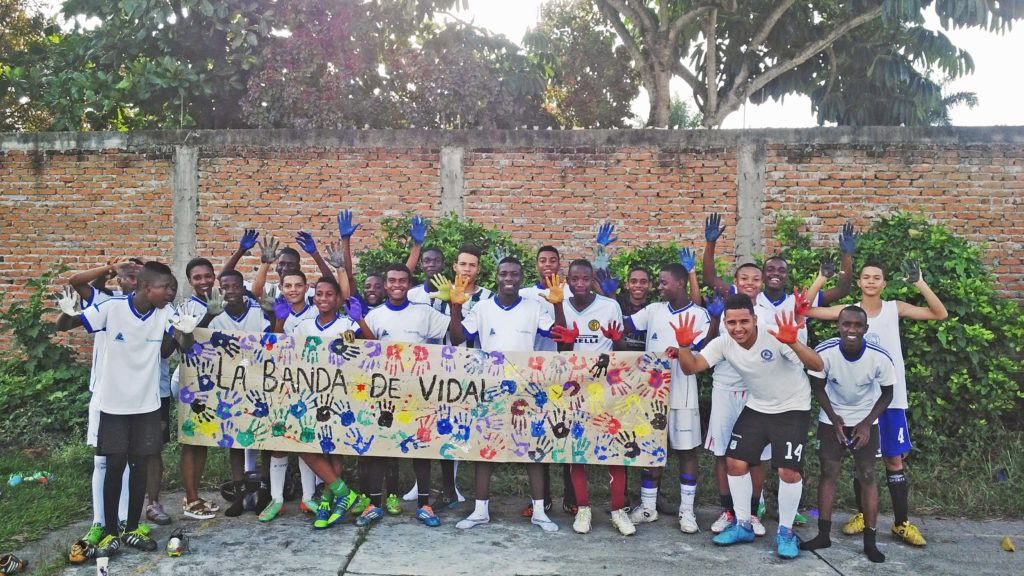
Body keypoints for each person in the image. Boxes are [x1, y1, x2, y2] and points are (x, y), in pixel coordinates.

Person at [702, 214, 856, 527]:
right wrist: (710, 243)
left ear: (783, 277)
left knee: (761, 457)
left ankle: (756, 510)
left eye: (777, 271)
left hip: (765, 392)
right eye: (767, 269)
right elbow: (709, 279)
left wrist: (845, 258)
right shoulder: (738, 304)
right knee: (726, 454)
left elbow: (841, 290)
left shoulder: (799, 302)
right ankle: (730, 510)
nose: (771, 275)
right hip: (727, 384)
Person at [56, 261, 198, 556]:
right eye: (165, 288)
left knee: (140, 466)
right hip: (114, 404)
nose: (170, 294)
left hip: (146, 404)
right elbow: (67, 325)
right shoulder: (113, 307)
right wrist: (67, 314)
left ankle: (131, 527)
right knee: (114, 466)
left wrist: (185, 331)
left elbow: (185, 346)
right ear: (147, 287)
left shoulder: (164, 312)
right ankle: (109, 532)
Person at [805, 261, 947, 547]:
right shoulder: (848, 313)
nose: (871, 281)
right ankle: (861, 515)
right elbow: (805, 310)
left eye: (877, 277)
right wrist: (820, 279)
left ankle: (901, 523)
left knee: (893, 461)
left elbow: (939, 313)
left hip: (889, 399)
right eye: (866, 277)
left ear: (884, 283)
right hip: (856, 405)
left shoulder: (895, 307)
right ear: (859, 282)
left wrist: (919, 282)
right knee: (862, 463)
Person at [674, 294, 823, 559]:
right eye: (732, 322)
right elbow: (692, 367)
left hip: (792, 408)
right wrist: (684, 346)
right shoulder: (723, 343)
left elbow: (817, 365)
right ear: (725, 323)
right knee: (735, 463)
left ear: (755, 319)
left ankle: (786, 533)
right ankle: (743, 524)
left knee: (789, 472)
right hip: (759, 406)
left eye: (744, 321)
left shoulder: (776, 335)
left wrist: (794, 343)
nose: (738, 327)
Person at [451, 257, 566, 533]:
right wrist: (455, 307)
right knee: (485, 450)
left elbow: (561, 336)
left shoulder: (534, 307)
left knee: (533, 450)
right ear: (497, 277)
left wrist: (558, 305)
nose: (509, 278)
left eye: (514, 274)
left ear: (521, 276)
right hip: (491, 387)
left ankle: (539, 511)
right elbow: (457, 338)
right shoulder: (483, 308)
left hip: (527, 389)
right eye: (504, 274)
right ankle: (480, 511)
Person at [264, 276, 372, 529]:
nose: (324, 299)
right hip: (308, 396)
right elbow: (276, 349)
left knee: (334, 447)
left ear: (338, 299)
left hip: (341, 396)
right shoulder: (303, 326)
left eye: (329, 294)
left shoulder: (347, 324)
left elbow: (374, 348)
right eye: (320, 294)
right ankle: (343, 493)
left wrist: (360, 321)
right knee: (304, 442)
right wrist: (279, 321)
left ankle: (328, 499)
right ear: (314, 298)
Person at [357, 263, 452, 528]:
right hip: (383, 393)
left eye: (402, 280)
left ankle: (424, 504)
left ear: (409, 285)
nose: (397, 285)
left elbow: (454, 334)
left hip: (419, 391)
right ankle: (375, 505)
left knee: (421, 446)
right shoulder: (375, 316)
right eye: (392, 281)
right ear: (385, 285)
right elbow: (363, 347)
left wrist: (454, 303)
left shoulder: (425, 312)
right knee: (380, 446)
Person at [800, 306, 894, 563]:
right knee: (828, 472)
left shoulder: (879, 357)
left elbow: (887, 394)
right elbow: (817, 387)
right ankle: (823, 534)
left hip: (866, 418)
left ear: (865, 328)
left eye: (857, 325)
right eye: (846, 324)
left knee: (867, 474)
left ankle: (870, 541)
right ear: (839, 326)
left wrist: (866, 423)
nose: (851, 330)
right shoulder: (825, 351)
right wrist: (833, 418)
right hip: (833, 418)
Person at [549, 260, 634, 536]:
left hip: (608, 388)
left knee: (616, 448)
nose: (580, 284)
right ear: (568, 280)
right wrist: (570, 341)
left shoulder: (609, 306)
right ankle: (583, 508)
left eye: (585, 278)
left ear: (592, 279)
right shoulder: (560, 301)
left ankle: (618, 510)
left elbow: (620, 349)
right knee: (578, 448)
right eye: (575, 279)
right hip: (575, 389)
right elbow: (561, 350)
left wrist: (616, 341)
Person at [403, 244, 492, 509]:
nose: (467, 269)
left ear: (478, 269)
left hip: (469, 369)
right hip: (433, 368)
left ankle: (450, 485)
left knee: (457, 426)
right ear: (454, 266)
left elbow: (467, 334)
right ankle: (420, 485)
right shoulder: (436, 292)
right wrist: (440, 299)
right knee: (427, 422)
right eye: (462, 264)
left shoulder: (486, 297)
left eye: (472, 265)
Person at [624, 262, 710, 534]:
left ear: (680, 283)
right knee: (650, 451)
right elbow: (626, 326)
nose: (658, 287)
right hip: (652, 395)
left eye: (663, 283)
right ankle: (648, 507)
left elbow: (704, 348)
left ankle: (687, 510)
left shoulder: (699, 314)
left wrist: (684, 349)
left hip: (683, 393)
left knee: (686, 451)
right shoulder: (653, 310)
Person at [65, 261, 140, 563]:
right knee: (103, 460)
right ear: (118, 279)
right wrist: (107, 268)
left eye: (138, 275)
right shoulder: (105, 301)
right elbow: (75, 280)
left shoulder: (153, 307)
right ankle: (100, 521)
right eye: (127, 274)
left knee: (130, 460)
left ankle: (123, 520)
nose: (132, 279)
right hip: (105, 394)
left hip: (136, 396)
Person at [207, 269, 272, 517]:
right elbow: (201, 342)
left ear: (243, 288)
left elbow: (273, 339)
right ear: (220, 290)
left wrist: (272, 312)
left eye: (235, 286)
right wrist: (206, 315)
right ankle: (240, 491)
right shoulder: (216, 317)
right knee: (232, 438)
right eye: (225, 287)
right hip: (230, 385)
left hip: (260, 380)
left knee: (263, 435)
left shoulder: (258, 312)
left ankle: (264, 490)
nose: (231, 291)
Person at [518, 245, 576, 516]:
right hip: (532, 375)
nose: (548, 265)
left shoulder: (570, 292)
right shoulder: (524, 294)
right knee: (537, 437)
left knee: (564, 434)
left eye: (553, 260)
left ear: (560, 264)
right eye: (542, 260)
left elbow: (563, 333)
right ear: (535, 264)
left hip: (562, 373)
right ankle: (542, 498)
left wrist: (558, 303)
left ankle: (570, 495)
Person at [175, 257, 224, 521]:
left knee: (202, 442)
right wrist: (208, 316)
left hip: (211, 381)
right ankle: (191, 499)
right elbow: (185, 344)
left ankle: (194, 495)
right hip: (190, 381)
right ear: (189, 280)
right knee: (191, 441)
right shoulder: (185, 307)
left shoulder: (220, 299)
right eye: (197, 277)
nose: (204, 281)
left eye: (208, 276)